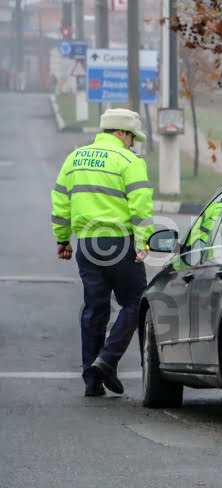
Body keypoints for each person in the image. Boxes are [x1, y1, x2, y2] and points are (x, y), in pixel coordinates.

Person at [51, 108, 154, 397]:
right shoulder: (129, 161)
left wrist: (63, 239)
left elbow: (61, 202)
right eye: (131, 137)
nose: (132, 143)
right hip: (119, 243)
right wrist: (143, 242)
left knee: (95, 309)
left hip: (87, 244)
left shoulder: (75, 158)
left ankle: (92, 381)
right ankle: (107, 359)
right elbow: (141, 205)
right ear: (121, 132)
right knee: (135, 302)